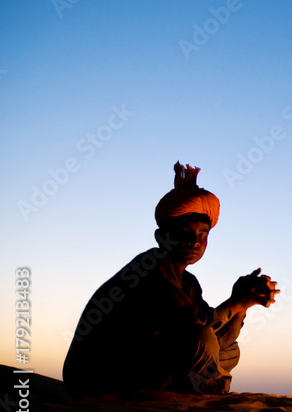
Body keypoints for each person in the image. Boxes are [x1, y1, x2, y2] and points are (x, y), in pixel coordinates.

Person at [62, 162, 279, 396]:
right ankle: (204, 387)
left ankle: (200, 384)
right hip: (98, 376)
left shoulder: (188, 281)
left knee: (228, 348)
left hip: (143, 369)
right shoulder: (150, 268)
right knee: (201, 338)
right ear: (161, 237)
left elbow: (211, 328)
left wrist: (244, 304)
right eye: (184, 233)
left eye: (202, 235)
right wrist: (237, 302)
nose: (194, 242)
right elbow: (193, 327)